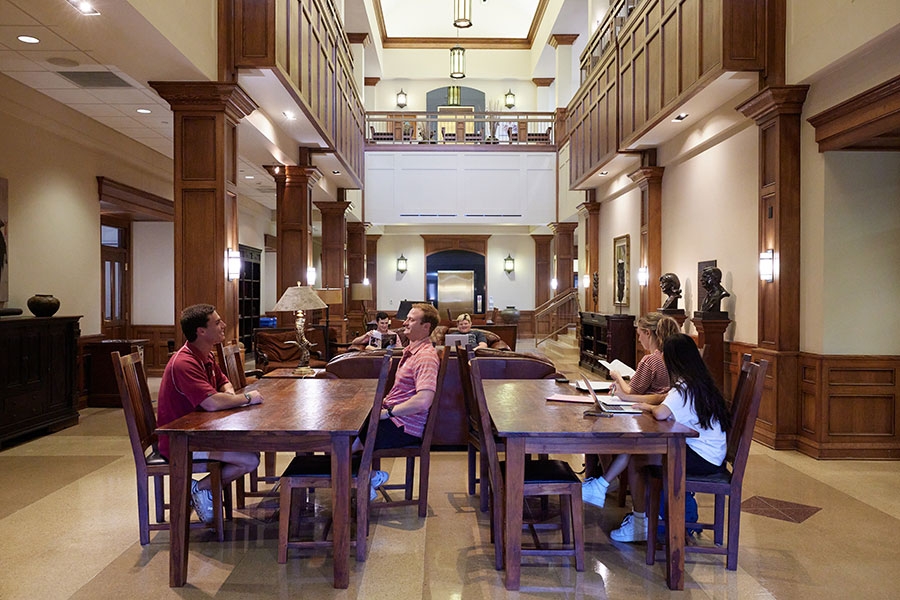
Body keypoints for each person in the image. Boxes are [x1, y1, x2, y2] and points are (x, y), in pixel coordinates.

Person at [585, 333, 731, 543]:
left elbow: (662, 413)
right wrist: (651, 407)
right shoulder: (698, 383)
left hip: (702, 458)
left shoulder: (683, 388)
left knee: (637, 457)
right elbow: (666, 410)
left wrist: (652, 408)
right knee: (640, 451)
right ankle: (604, 488)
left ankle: (638, 523)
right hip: (708, 453)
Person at [157, 304, 263, 525]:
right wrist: (247, 398)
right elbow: (213, 402)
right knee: (249, 459)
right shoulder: (184, 363)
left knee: (252, 451)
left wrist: (229, 398)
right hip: (181, 443)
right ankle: (200, 488)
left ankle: (203, 489)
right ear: (201, 331)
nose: (223, 325)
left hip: (202, 433)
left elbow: (225, 384)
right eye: (217, 322)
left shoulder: (206, 355)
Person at [583, 313, 680, 501]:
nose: (639, 338)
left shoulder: (651, 360)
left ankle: (608, 479)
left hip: (653, 417)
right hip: (666, 415)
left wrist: (618, 377)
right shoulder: (673, 358)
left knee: (605, 429)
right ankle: (606, 480)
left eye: (639, 334)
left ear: (647, 333)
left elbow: (632, 391)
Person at [353, 303, 441, 499]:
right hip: (394, 420)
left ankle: (363, 481)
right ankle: (367, 478)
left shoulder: (425, 356)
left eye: (411, 319)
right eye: (407, 318)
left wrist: (387, 412)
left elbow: (424, 400)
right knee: (348, 426)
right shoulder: (410, 351)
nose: (405, 322)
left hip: (404, 427)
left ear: (426, 327)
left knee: (343, 441)